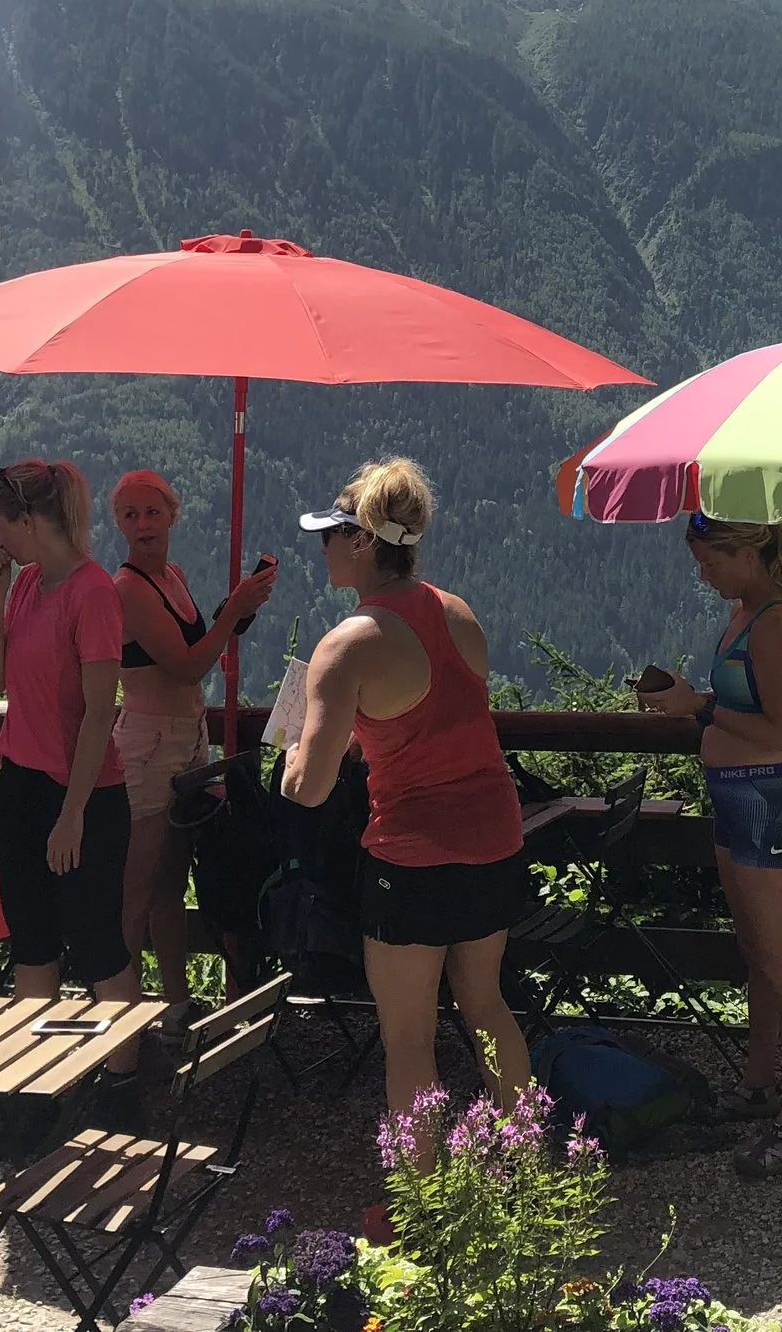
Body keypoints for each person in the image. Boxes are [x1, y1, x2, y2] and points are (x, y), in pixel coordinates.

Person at [282, 458, 532, 1136]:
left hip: (412, 855)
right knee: (488, 1008)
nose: (322, 546)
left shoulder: (348, 646)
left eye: (330, 533)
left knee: (409, 1036)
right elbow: (435, 717)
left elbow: (310, 789)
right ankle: (529, 1164)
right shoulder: (457, 612)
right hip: (494, 835)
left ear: (362, 540)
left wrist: (292, 758)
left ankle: (422, 1188)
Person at [640, 512, 782, 1178]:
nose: (703, 574)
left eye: (710, 561)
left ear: (747, 554)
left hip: (763, 800)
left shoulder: (777, 623)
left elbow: (778, 731)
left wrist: (700, 708)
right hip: (734, 797)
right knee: (756, 954)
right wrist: (694, 703)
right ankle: (758, 1082)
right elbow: (739, 711)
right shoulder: (744, 613)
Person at [0, 461, 141, 1072]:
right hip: (20, 784)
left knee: (98, 946)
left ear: (29, 520)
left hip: (84, 795)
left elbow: (100, 714)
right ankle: (33, 1082)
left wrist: (72, 814)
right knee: (32, 944)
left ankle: (122, 1081)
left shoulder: (93, 593)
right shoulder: (24, 584)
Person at [108, 469, 276, 1022]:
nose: (142, 524)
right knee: (137, 886)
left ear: (172, 516)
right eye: (130, 514)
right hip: (149, 741)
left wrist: (237, 610)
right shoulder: (128, 587)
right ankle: (121, 1018)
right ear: (118, 524)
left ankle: (175, 1006)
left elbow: (196, 645)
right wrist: (233, 610)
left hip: (187, 737)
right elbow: (186, 667)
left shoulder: (171, 576)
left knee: (171, 881)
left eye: (152, 512)